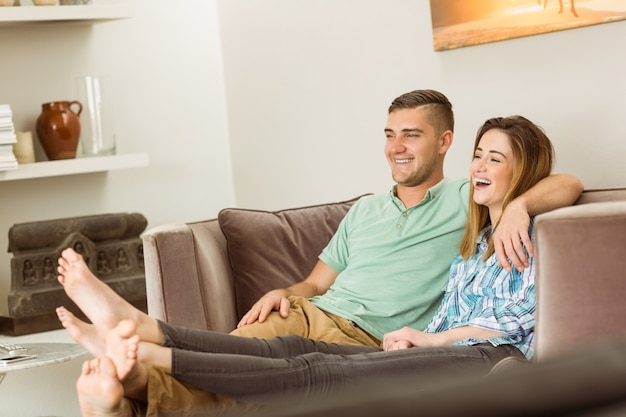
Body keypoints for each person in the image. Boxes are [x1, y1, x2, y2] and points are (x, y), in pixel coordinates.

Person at [62, 114, 561, 417]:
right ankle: (144, 336)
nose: (479, 166)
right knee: (290, 348)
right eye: (480, 155)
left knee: (309, 371)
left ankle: (147, 363)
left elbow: (513, 323)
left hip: (487, 359)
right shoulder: (475, 239)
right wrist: (293, 292)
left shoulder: (528, 229)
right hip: (405, 342)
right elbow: (320, 281)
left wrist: (521, 206)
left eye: (495, 159)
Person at [229, 89, 582, 346]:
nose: (396, 147)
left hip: (360, 341)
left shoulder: (469, 198)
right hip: (304, 312)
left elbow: (567, 183)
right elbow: (316, 285)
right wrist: (282, 293)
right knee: (214, 362)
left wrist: (519, 208)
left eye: (411, 136)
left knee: (226, 379)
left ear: (444, 142)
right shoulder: (364, 209)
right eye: (390, 136)